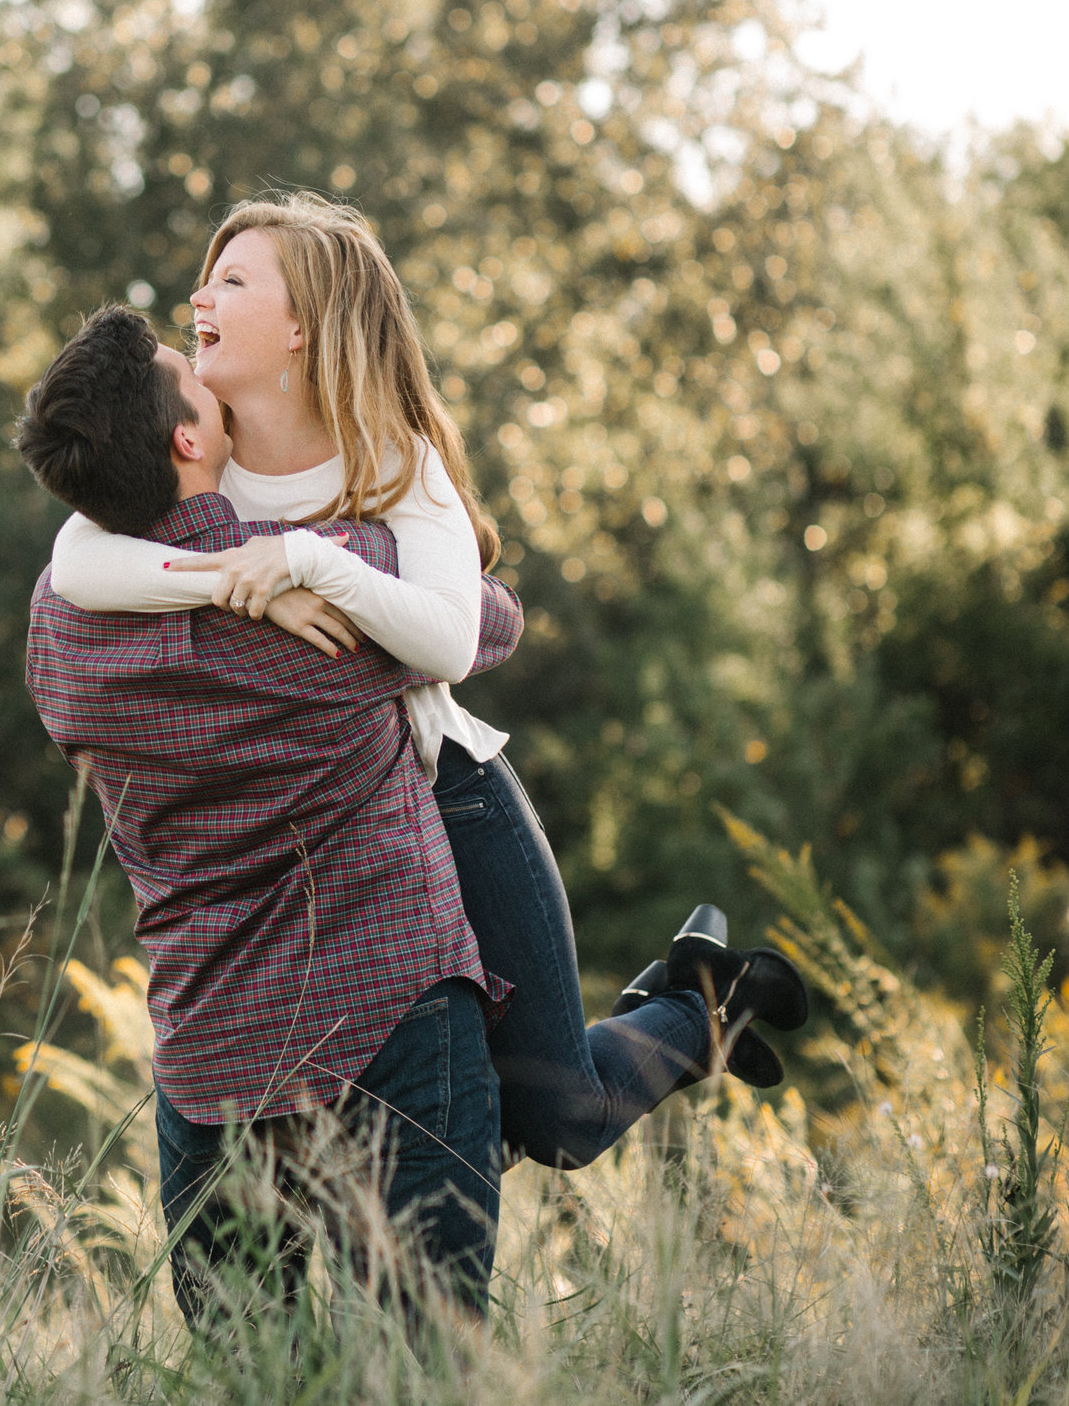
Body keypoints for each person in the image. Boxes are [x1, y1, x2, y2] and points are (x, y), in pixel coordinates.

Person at [48, 193, 807, 1171]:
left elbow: (453, 640)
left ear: (302, 326)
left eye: (231, 279)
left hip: (451, 793)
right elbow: (76, 563)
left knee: (563, 1118)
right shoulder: (199, 454)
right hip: (331, 830)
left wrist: (311, 565)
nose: (198, 297)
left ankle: (705, 1005)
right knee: (455, 1117)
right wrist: (239, 582)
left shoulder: (393, 462)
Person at [17, 305, 526, 1322]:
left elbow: (78, 560)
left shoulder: (59, 629)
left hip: (208, 1051)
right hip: (392, 1009)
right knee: (427, 1359)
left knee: (255, 1372)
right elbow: (488, 622)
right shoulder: (318, 579)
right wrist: (333, 552)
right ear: (189, 440)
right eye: (191, 374)